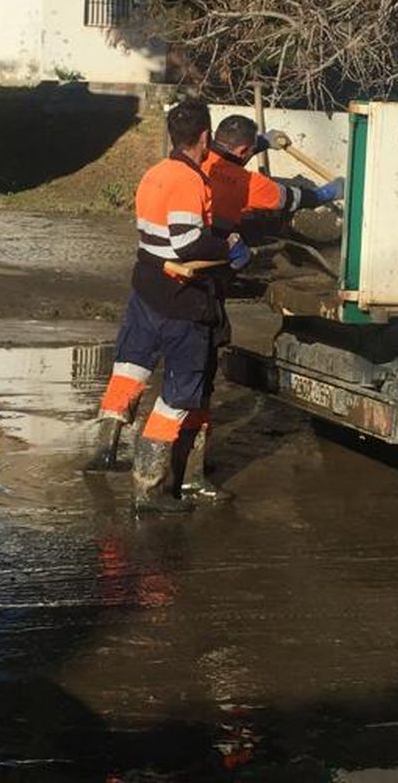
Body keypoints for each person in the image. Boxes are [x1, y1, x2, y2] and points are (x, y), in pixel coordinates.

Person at [86, 99, 247, 514]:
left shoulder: (154, 173)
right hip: (181, 298)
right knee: (180, 393)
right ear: (206, 139)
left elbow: (161, 236)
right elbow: (188, 242)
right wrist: (229, 247)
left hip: (147, 286)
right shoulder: (188, 181)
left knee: (131, 368)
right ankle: (150, 484)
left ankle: (104, 450)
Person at [176, 115, 343, 500]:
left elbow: (228, 157)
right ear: (243, 152)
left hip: (174, 278)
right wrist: (327, 193)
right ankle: (189, 470)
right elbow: (289, 199)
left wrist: (264, 144)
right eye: (251, 150)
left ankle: (181, 463)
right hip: (209, 278)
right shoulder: (246, 182)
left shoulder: (198, 163)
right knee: (201, 370)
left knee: (186, 374)